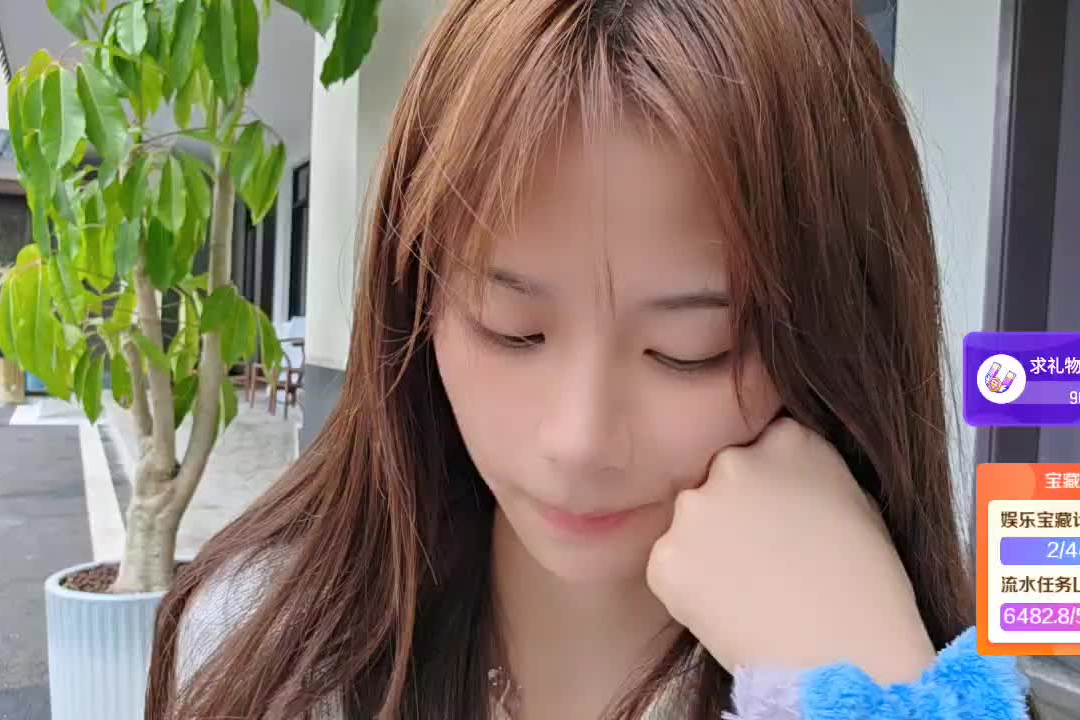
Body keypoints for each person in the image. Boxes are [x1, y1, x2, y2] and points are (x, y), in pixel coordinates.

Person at [146, 1, 1031, 718]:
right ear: (416, 303)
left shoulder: (907, 669)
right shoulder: (267, 650)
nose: (578, 441)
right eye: (512, 329)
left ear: (841, 342)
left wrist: (877, 690)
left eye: (689, 351)